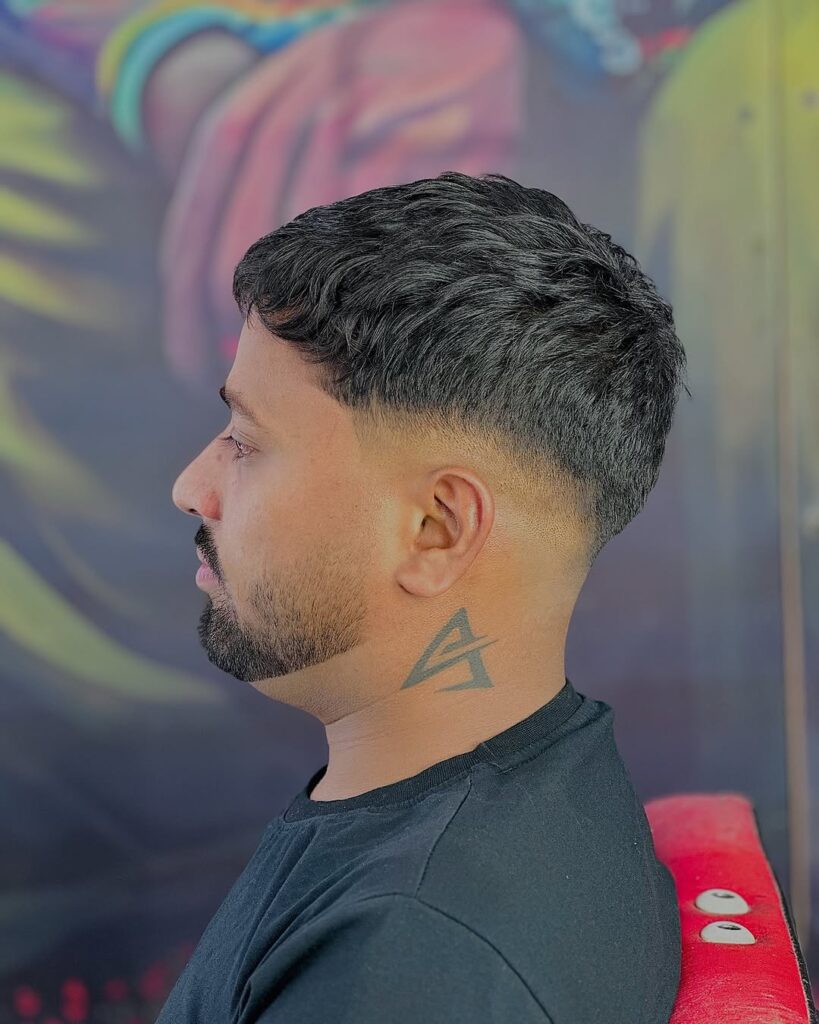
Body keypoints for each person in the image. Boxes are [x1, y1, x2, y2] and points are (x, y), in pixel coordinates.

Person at [165, 171, 687, 1023]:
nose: (192, 488)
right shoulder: (521, 808)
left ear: (435, 530)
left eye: (247, 443)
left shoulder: (407, 962)